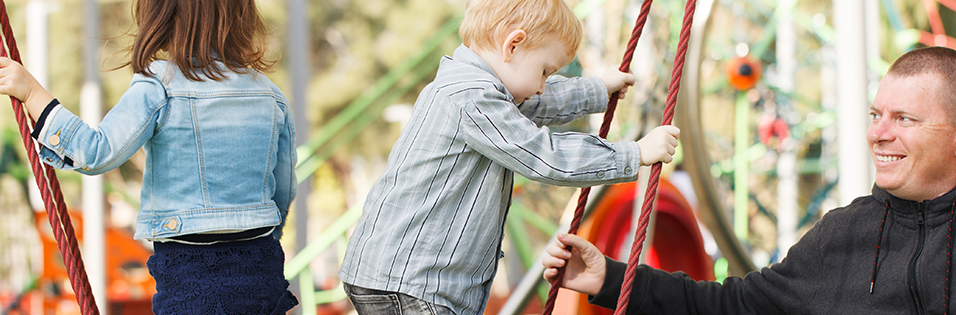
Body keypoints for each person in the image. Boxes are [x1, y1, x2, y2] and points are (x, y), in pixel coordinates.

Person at [542, 46, 956, 314]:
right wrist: (607, 278)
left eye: (904, 119)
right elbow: (732, 305)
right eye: (877, 115)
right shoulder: (845, 234)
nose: (879, 133)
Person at [337, 0, 680, 314]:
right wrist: (633, 152)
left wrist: (596, 89)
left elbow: (536, 102)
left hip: (403, 277)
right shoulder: (472, 97)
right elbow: (545, 155)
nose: (544, 84)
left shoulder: (476, 85)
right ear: (512, 45)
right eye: (546, 71)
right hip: (413, 282)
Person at [0, 0, 297, 313]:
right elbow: (284, 186)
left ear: (161, 16)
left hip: (191, 270)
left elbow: (96, 152)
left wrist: (33, 93)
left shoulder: (160, 84)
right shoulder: (269, 93)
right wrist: (259, 233)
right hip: (260, 264)